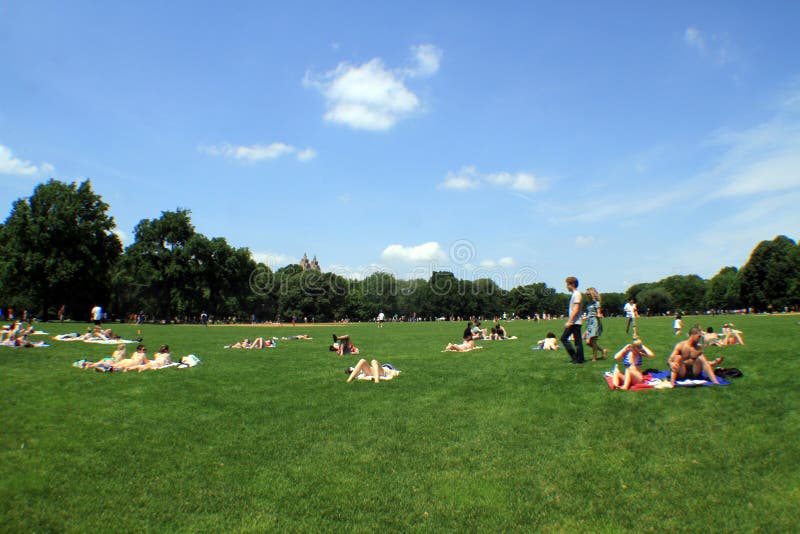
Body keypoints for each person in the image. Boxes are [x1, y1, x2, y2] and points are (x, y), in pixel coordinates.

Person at [561, 276, 584, 364]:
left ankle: (575, 357)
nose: (566, 286)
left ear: (572, 284)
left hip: (575, 322)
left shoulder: (577, 294)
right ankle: (579, 359)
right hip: (575, 321)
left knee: (563, 338)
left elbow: (576, 309)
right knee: (577, 341)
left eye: (567, 284)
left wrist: (570, 321)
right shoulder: (575, 294)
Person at [583, 287, 607, 361]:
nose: (587, 296)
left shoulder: (597, 303)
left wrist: (599, 315)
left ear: (592, 294)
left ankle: (594, 358)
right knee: (587, 342)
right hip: (589, 322)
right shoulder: (588, 304)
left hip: (595, 322)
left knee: (593, 341)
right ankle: (603, 350)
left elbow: (598, 313)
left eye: (588, 294)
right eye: (587, 295)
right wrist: (586, 317)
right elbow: (589, 313)